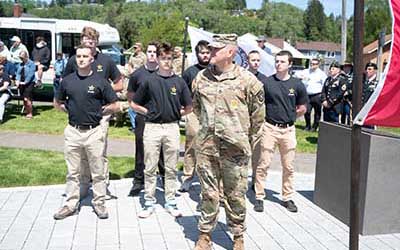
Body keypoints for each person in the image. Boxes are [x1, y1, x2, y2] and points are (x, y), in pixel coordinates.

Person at [192, 34, 265, 250]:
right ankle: (205, 236)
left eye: (216, 49)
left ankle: (238, 237)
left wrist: (243, 142)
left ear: (230, 52)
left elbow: (258, 118)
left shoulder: (248, 81)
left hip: (236, 150)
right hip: (207, 148)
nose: (211, 52)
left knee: (235, 195)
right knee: (208, 193)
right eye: (210, 49)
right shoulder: (200, 78)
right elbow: (197, 109)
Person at [53, 44, 120, 220]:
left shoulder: (100, 81)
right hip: (73, 132)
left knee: (97, 171)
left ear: (92, 59)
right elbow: (57, 102)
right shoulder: (67, 81)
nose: (81, 59)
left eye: (85, 56)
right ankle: (70, 204)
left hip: (94, 132)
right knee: (73, 172)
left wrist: (101, 112)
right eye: (78, 56)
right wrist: (69, 111)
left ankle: (99, 203)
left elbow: (114, 105)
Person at [130, 42, 192, 218]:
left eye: (169, 58)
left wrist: (175, 112)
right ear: (157, 59)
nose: (166, 61)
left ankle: (170, 201)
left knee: (171, 167)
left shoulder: (178, 82)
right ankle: (149, 201)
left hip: (172, 128)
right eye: (163, 58)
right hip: (152, 128)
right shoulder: (149, 81)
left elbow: (189, 106)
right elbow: (134, 103)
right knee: (150, 167)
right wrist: (147, 112)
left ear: (173, 60)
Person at [63, 26, 123, 200]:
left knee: (99, 151)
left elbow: (119, 84)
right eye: (86, 39)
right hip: (79, 114)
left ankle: (102, 187)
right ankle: (82, 186)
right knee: (80, 153)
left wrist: (102, 89)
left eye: (93, 39)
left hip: (102, 113)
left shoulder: (106, 61)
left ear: (97, 42)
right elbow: (65, 83)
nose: (89, 42)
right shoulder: (74, 60)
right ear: (81, 41)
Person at [253, 50, 308, 214]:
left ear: (290, 64)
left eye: (282, 62)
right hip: (269, 128)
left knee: (288, 166)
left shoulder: (297, 84)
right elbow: (259, 104)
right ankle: (259, 196)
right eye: (277, 61)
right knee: (263, 164)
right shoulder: (267, 83)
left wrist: (291, 116)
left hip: (288, 130)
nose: (278, 64)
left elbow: (303, 107)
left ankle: (287, 197)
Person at [127, 42, 166, 197]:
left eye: (154, 52)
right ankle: (138, 180)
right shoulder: (138, 75)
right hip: (143, 116)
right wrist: (142, 110)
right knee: (141, 148)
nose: (151, 54)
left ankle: (164, 177)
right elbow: (131, 98)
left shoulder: (165, 73)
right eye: (149, 51)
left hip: (162, 118)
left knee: (162, 148)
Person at [179, 40, 210, 193]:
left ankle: (209, 179)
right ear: (197, 54)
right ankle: (187, 177)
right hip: (194, 112)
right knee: (191, 144)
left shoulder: (216, 70)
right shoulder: (190, 72)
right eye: (202, 53)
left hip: (212, 114)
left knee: (211, 147)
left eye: (207, 53)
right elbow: (181, 92)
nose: (205, 55)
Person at [297, 58, 327, 131]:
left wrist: (323, 97)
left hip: (317, 95)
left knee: (317, 112)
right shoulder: (306, 71)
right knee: (307, 111)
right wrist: (300, 77)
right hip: (307, 95)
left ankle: (315, 126)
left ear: (318, 65)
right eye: (311, 64)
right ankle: (307, 126)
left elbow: (325, 85)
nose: (312, 65)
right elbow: (296, 74)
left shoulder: (321, 74)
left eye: (314, 64)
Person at [15, 51, 36, 119]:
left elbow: (31, 74)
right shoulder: (20, 64)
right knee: (24, 99)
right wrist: (17, 80)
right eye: (20, 57)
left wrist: (25, 82)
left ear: (26, 57)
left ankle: (30, 114)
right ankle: (27, 112)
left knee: (27, 98)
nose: (21, 59)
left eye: (22, 57)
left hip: (30, 83)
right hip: (21, 83)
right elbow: (18, 73)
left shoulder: (31, 64)